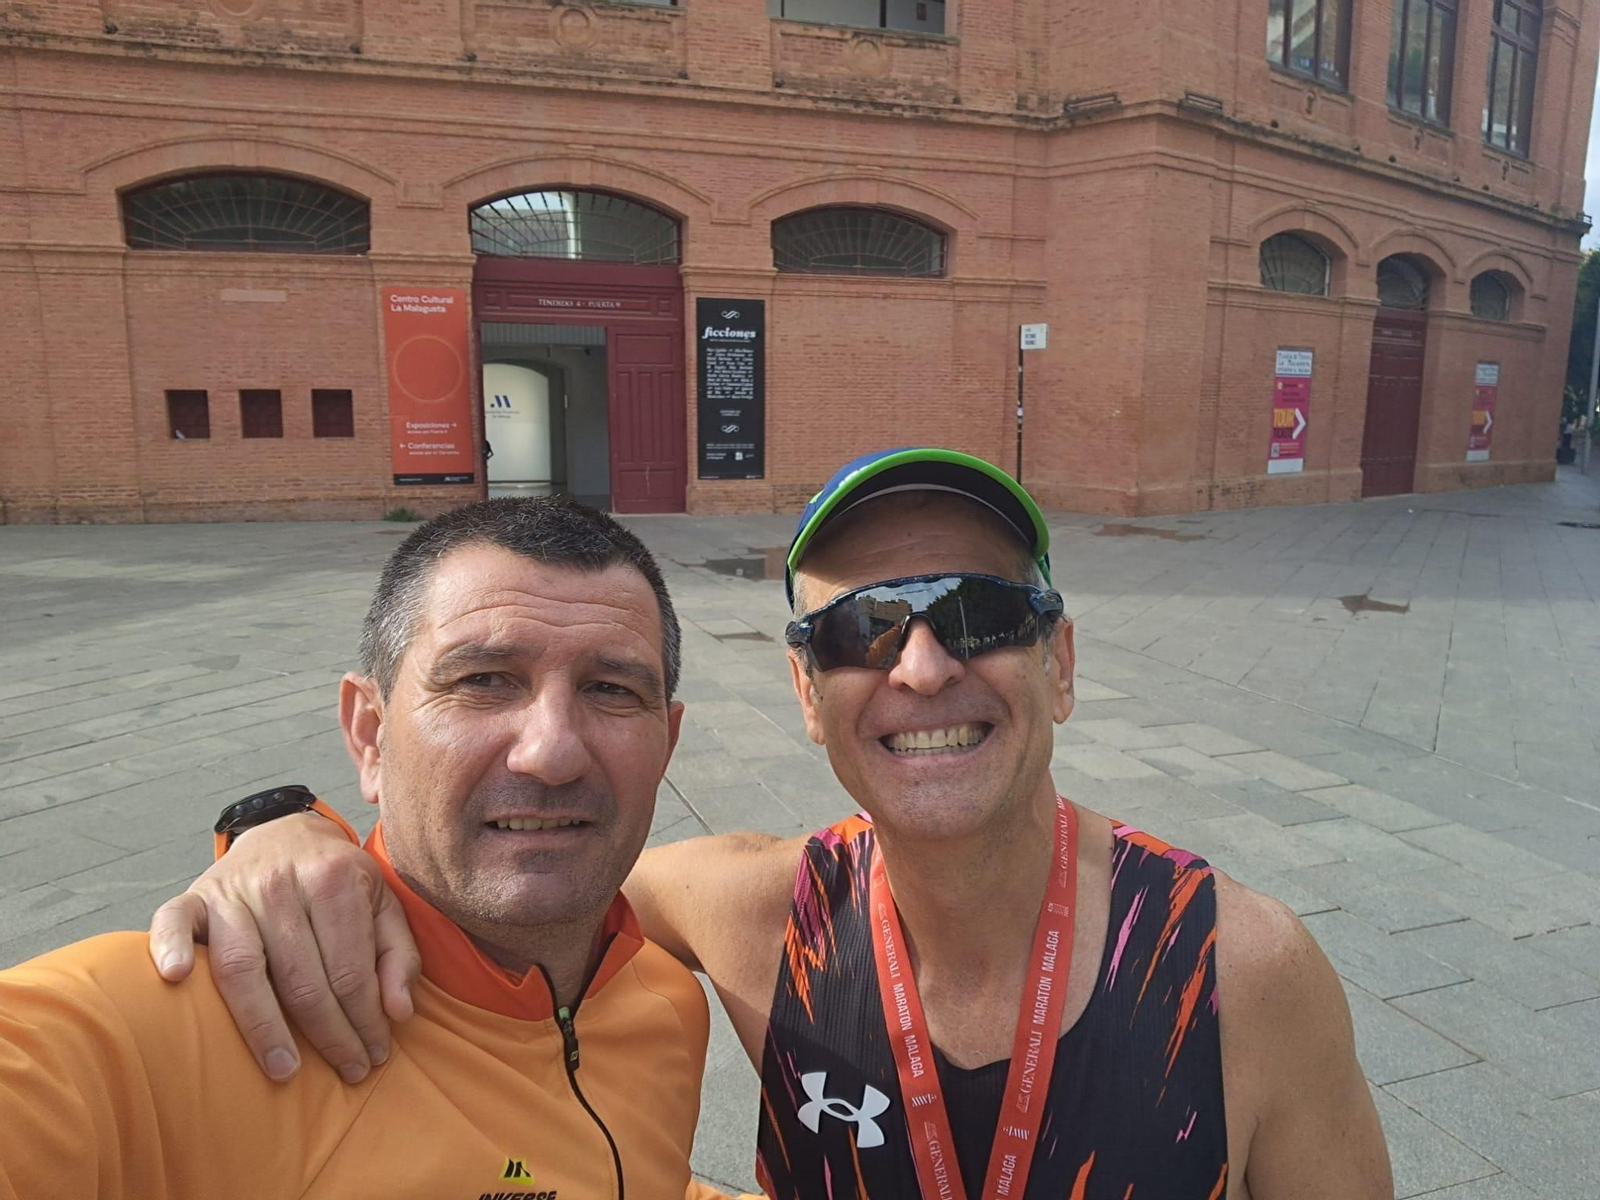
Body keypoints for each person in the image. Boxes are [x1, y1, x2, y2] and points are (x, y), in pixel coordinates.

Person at [149, 449, 1393, 1199]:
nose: (917, 669)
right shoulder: (749, 914)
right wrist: (279, 827)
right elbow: (489, 887)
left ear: (1058, 663)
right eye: (860, 629)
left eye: (976, 614)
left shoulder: (1237, 971)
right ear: (808, 692)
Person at [0, 498, 725, 1199]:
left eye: (610, 689)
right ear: (370, 734)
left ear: (667, 744)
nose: (552, 752)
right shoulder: (167, 1027)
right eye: (483, 682)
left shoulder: (665, 1007)